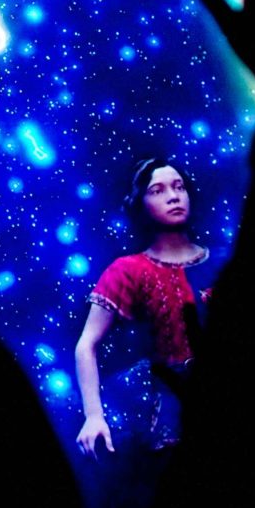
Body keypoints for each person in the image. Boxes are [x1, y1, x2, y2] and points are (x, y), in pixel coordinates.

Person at [73, 157, 218, 455]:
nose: (174, 196)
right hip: (174, 417)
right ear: (140, 202)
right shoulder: (129, 270)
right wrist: (93, 416)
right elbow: (86, 345)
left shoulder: (224, 263)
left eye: (179, 187)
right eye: (158, 190)